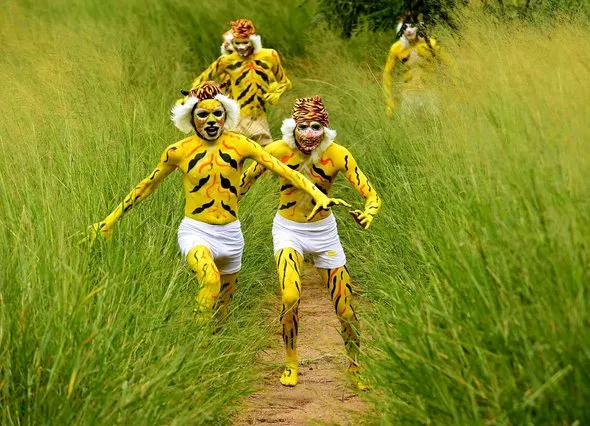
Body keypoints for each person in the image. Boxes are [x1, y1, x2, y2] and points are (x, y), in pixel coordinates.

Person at [88, 82, 348, 324]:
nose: (211, 121)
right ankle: (194, 348)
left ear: (226, 116)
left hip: (231, 235)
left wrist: (318, 194)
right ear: (191, 118)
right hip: (196, 230)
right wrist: (110, 220)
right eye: (203, 115)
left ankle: (210, 346)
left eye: (217, 114)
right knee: (209, 281)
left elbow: (284, 170)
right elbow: (147, 185)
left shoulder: (240, 144)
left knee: (222, 311)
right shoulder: (177, 151)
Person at [239, 96, 381, 388]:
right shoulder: (277, 151)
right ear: (292, 128)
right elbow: (244, 182)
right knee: (290, 297)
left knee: (345, 308)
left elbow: (372, 194)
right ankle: (291, 362)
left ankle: (355, 367)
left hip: (324, 232)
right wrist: (224, 211)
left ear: (325, 130)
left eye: (316, 127)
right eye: (302, 126)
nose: (308, 134)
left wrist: (369, 213)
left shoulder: (338, 154)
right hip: (288, 230)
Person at [191, 19, 292, 146]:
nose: (241, 47)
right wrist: (203, 98)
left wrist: (277, 93)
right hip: (237, 119)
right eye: (237, 43)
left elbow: (285, 82)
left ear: (254, 41)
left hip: (259, 118)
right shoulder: (226, 61)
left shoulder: (269, 56)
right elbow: (199, 81)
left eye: (245, 43)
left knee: (267, 158)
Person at [383, 12, 451, 117]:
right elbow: (387, 74)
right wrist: (389, 102)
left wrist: (447, 92)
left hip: (430, 93)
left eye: (412, 26)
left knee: (435, 128)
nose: (409, 31)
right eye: (405, 27)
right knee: (409, 130)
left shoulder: (431, 44)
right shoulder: (397, 48)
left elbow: (449, 65)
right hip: (408, 95)